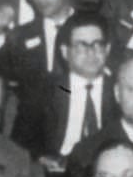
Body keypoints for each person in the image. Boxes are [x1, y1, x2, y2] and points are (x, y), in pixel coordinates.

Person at [9, 11, 118, 161]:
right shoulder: (42, 90)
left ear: (108, 49)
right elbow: (19, 143)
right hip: (59, 172)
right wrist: (42, 158)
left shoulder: (122, 90)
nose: (91, 52)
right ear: (65, 52)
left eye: (97, 44)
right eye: (81, 46)